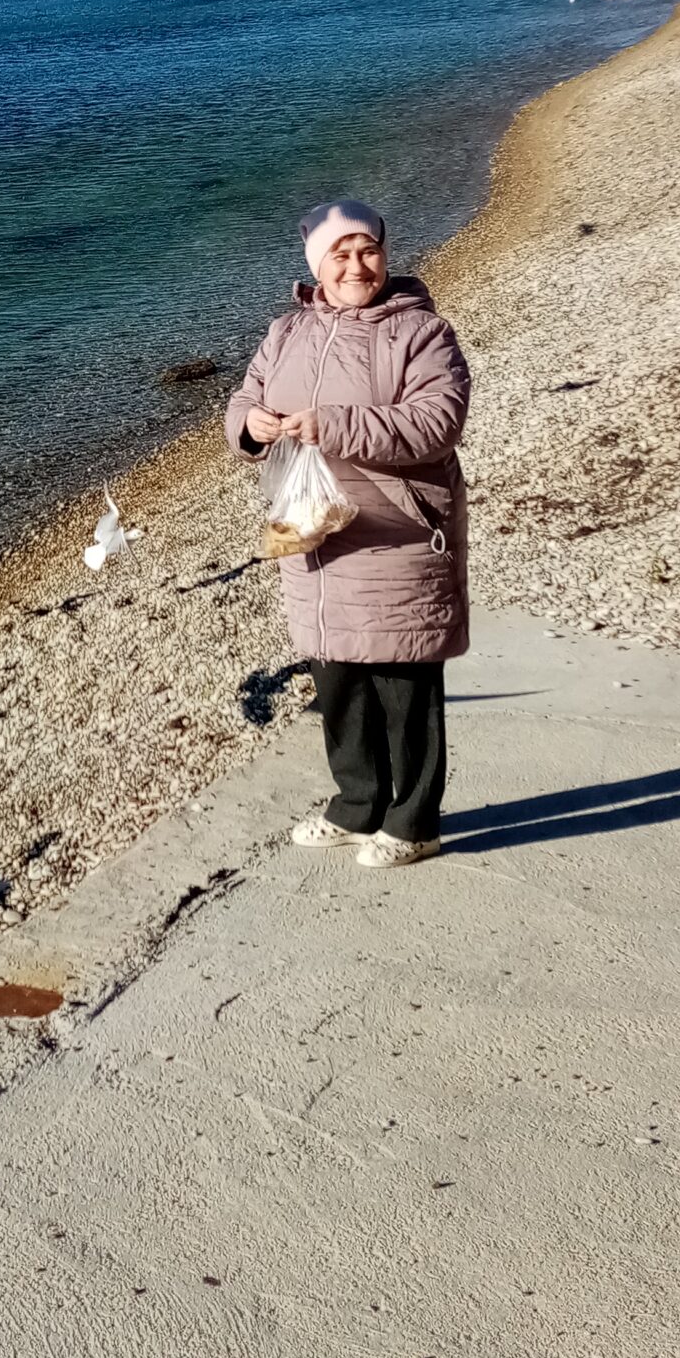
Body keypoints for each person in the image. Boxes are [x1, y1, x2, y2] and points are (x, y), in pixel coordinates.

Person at [226, 201, 470, 869]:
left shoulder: (422, 333)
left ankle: (415, 820)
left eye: (368, 251)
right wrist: (255, 428)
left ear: (385, 256)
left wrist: (330, 426)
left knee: (403, 682)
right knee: (336, 678)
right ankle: (356, 803)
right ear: (317, 266)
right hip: (311, 535)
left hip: (397, 535)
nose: (356, 265)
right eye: (341, 255)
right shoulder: (286, 331)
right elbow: (244, 400)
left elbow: (436, 424)